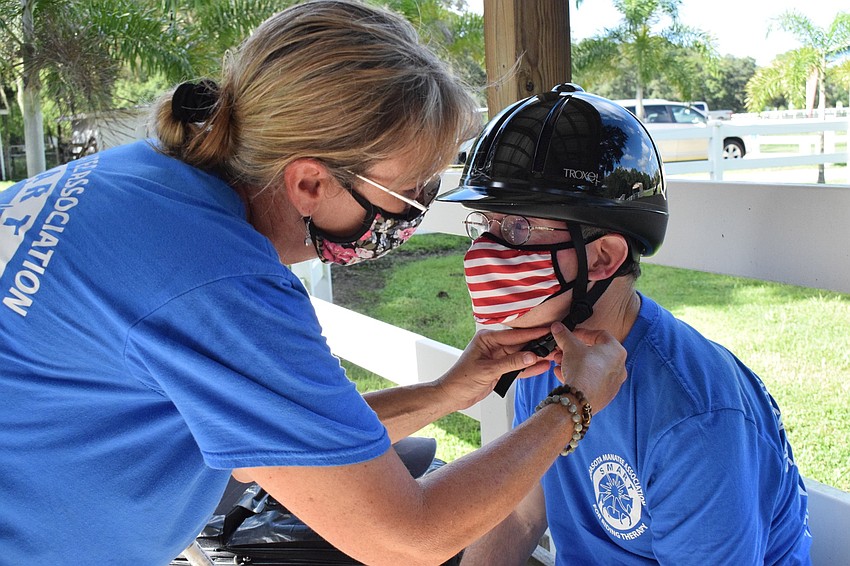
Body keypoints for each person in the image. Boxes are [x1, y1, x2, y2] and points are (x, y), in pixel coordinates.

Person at [0, 4, 629, 565]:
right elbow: (406, 539)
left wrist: (450, 390)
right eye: (410, 194)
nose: (413, 217)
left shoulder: (140, 180)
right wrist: (572, 406)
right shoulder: (217, 282)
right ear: (309, 183)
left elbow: (283, 452)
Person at [439, 84, 813, 565]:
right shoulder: (543, 354)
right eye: (485, 224)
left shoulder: (696, 418)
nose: (484, 253)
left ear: (603, 257)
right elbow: (518, 515)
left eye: (516, 229)